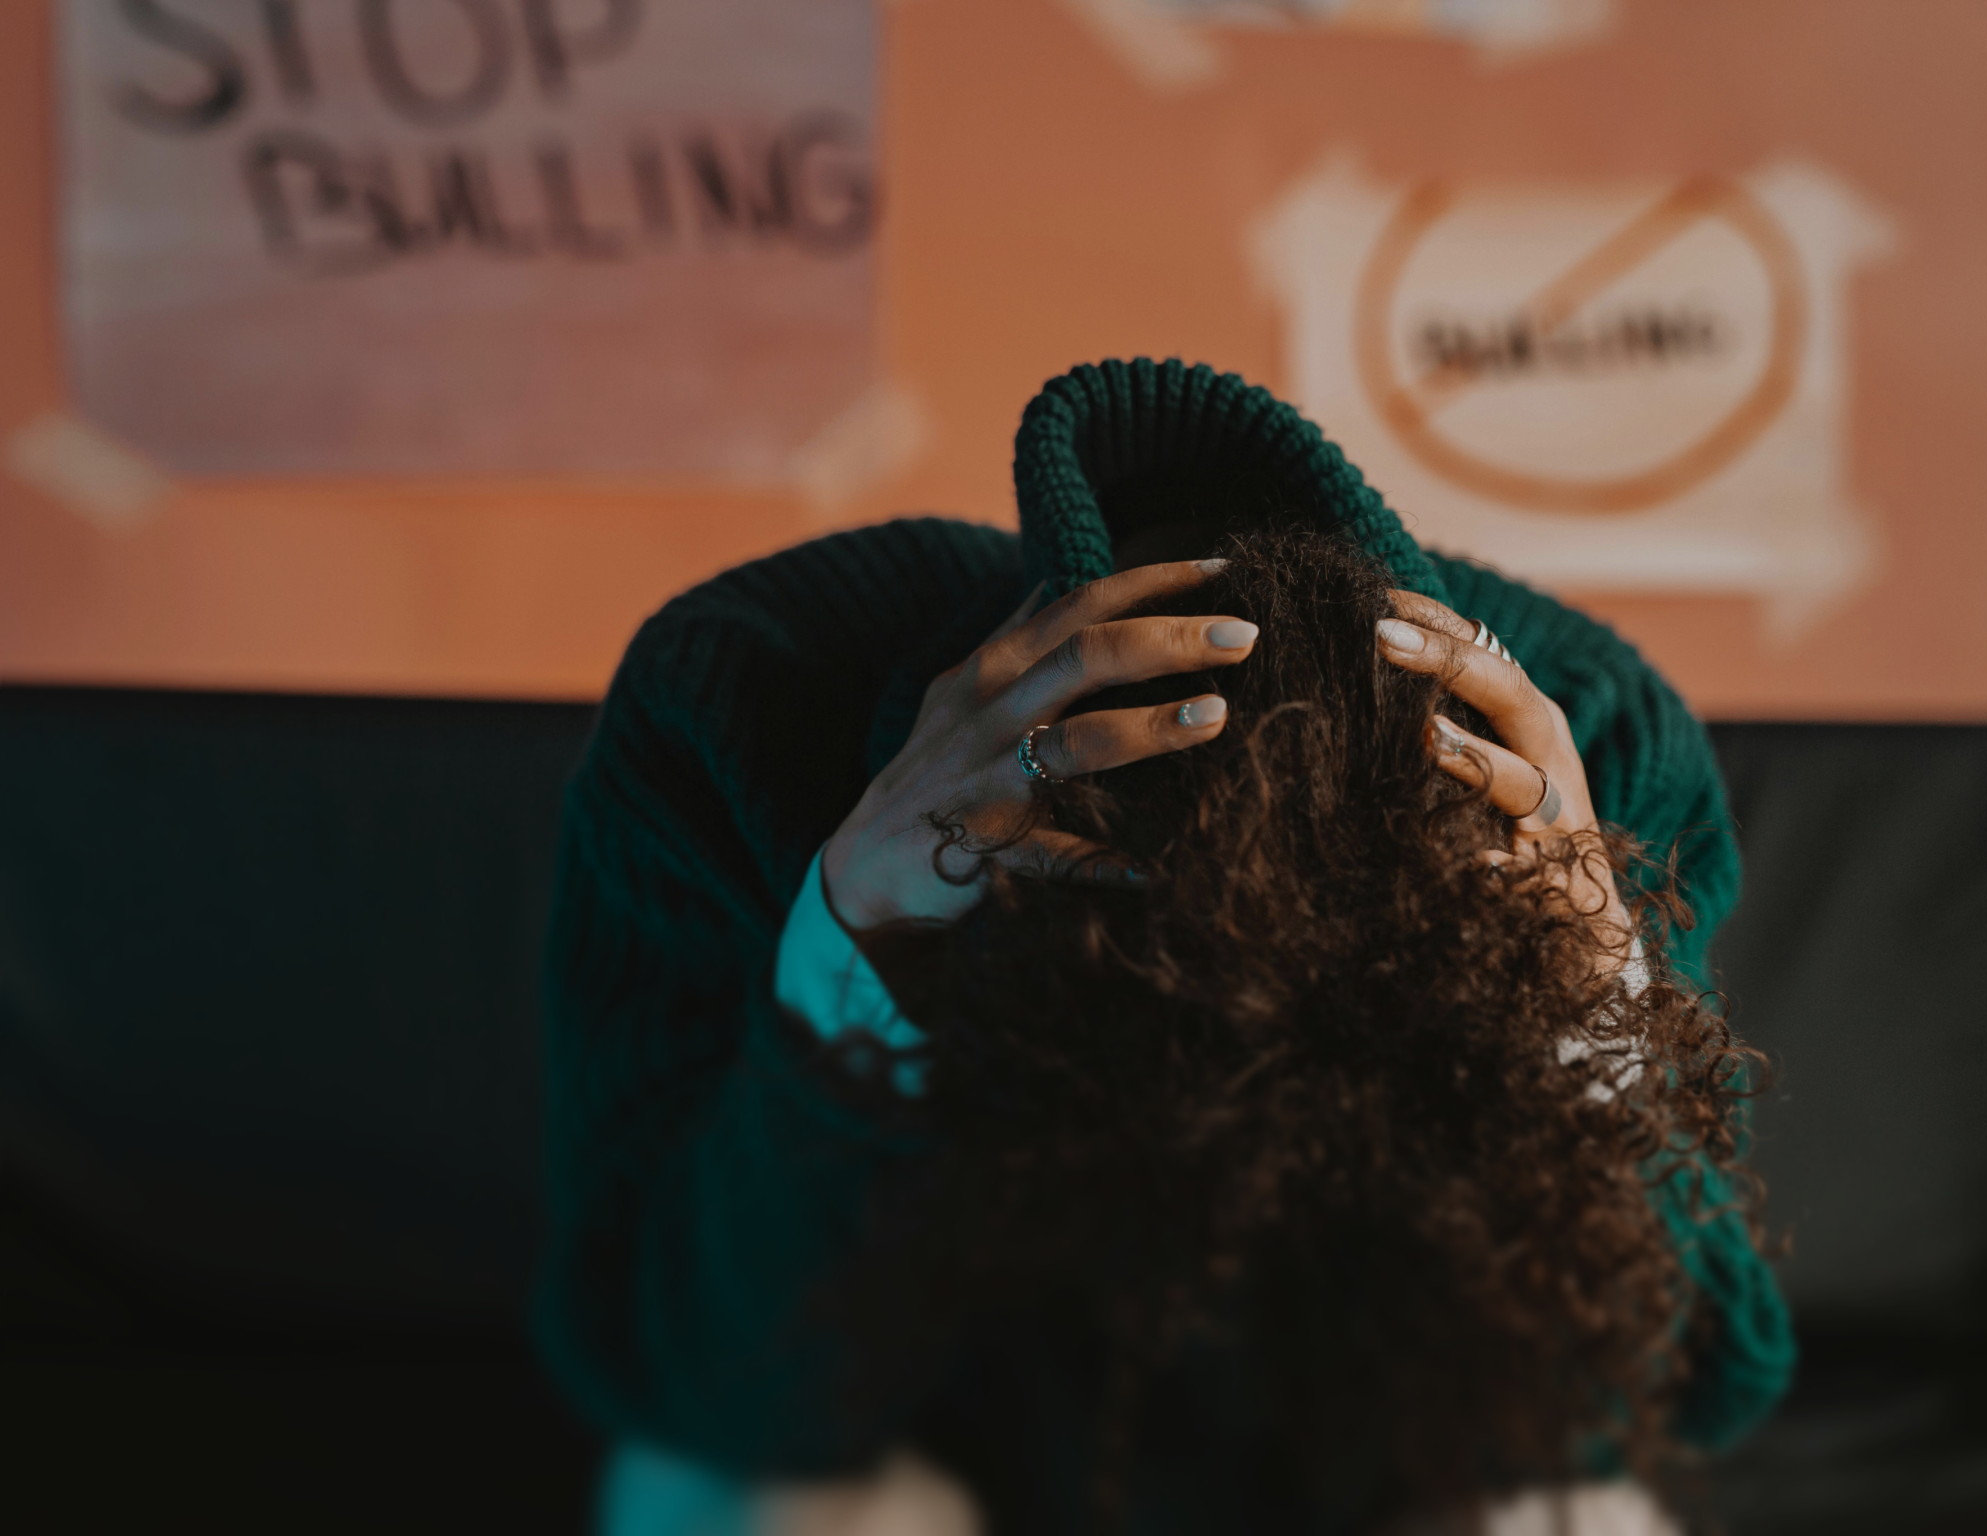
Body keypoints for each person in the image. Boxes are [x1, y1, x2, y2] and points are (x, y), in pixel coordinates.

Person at [538, 359, 1794, 1535]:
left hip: (1362, 1464)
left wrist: (1587, 1033)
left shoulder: (1588, 761)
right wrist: (858, 960)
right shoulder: (740, 703)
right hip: (913, 1446)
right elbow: (697, 1390)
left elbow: (1667, 1399)